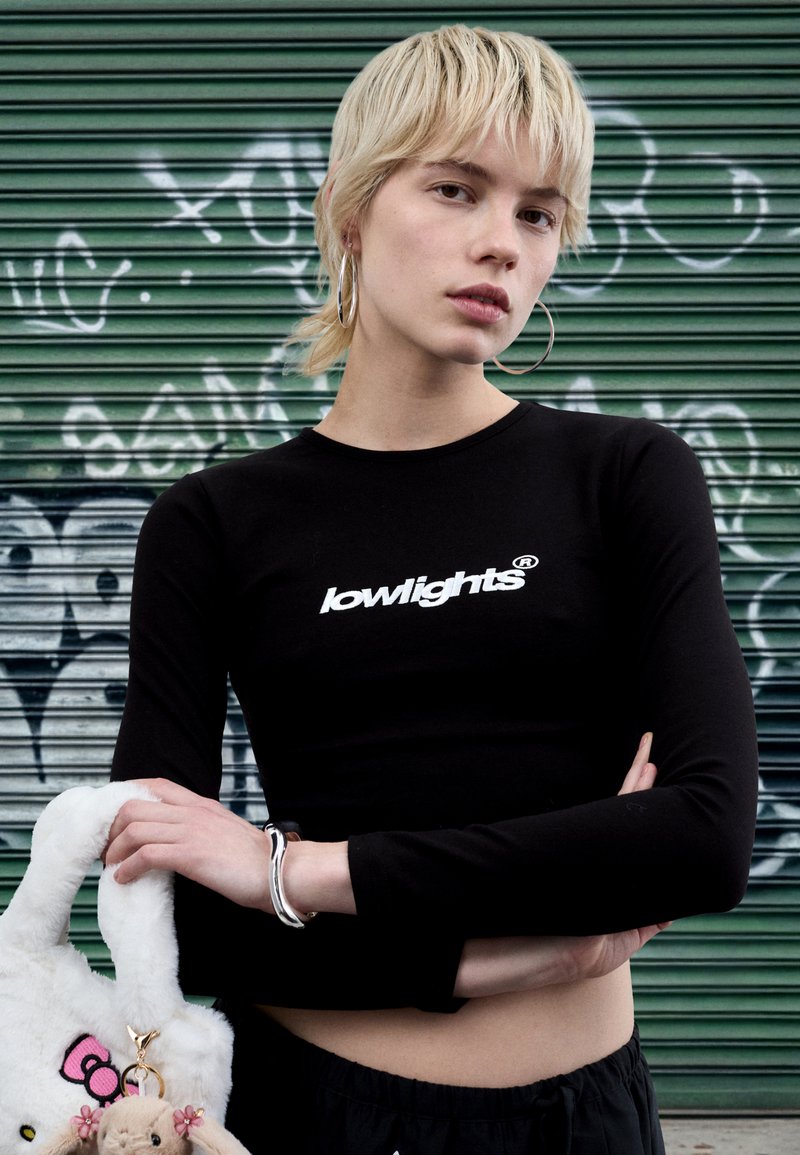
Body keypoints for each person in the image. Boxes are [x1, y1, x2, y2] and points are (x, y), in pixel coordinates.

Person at [106, 24, 759, 1155]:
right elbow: (173, 916)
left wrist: (298, 871)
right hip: (315, 1116)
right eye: (456, 190)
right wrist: (510, 952)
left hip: (585, 1122)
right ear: (349, 211)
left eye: (537, 212)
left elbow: (700, 838)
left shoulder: (622, 477)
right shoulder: (212, 524)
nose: (500, 244)